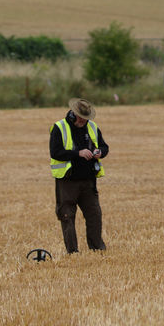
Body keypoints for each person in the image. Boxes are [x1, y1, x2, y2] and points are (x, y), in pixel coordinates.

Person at [49, 98, 109, 253]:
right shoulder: (59, 127)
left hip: (89, 180)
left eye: (86, 117)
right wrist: (78, 153)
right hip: (67, 181)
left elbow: (104, 146)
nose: (83, 120)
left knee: (94, 215)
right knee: (67, 215)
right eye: (81, 117)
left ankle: (97, 249)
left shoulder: (92, 127)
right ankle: (72, 252)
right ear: (74, 113)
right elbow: (56, 152)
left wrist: (99, 152)